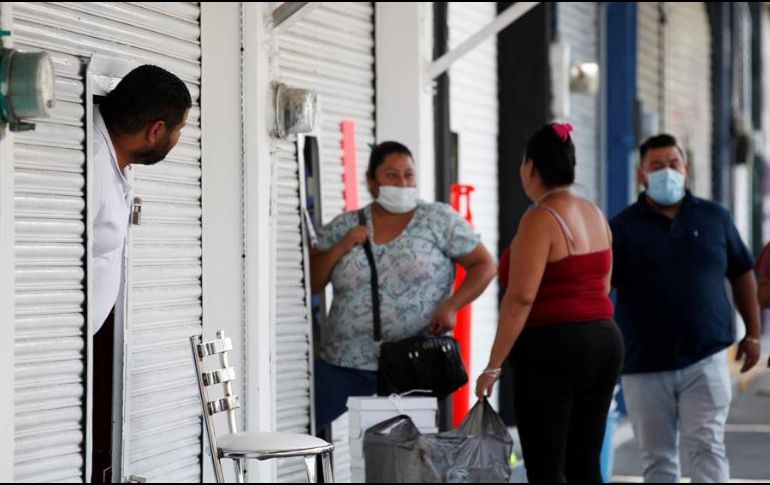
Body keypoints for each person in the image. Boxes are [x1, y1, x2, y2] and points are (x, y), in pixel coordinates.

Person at [310, 141, 496, 430]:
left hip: (413, 364)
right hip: (345, 361)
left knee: (401, 455)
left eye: (408, 175)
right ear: (372, 181)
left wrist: (452, 305)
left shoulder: (438, 219)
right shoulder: (346, 225)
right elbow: (313, 281)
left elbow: (485, 265)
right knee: (308, 430)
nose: (402, 183)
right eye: (392, 175)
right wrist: (343, 245)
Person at [476, 123, 623, 483]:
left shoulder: (540, 219)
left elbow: (521, 297)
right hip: (604, 342)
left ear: (530, 168)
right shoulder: (595, 214)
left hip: (555, 349)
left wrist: (493, 365)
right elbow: (603, 286)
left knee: (546, 466)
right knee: (585, 463)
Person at [611, 134, 761, 483]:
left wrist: (753, 335)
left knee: (706, 450)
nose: (667, 172)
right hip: (643, 366)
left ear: (686, 169)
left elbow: (742, 272)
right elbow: (602, 289)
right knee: (658, 462)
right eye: (656, 166)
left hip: (705, 361)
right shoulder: (621, 228)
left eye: (673, 164)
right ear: (641, 175)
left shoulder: (714, 218)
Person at [91, 64, 191, 482]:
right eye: (179, 129)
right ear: (155, 131)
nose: (178, 139)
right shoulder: (91, 167)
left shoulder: (115, 162)